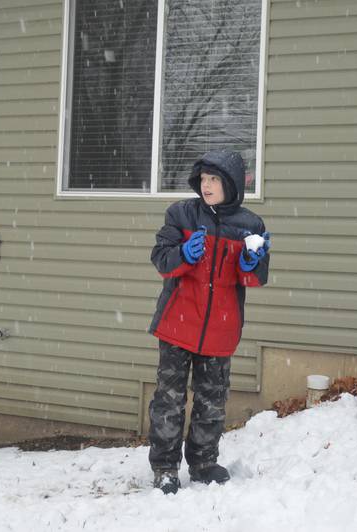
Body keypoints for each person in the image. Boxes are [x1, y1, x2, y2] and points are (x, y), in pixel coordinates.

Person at [147, 149, 270, 494]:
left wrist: (250, 262)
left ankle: (202, 462)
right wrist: (183, 255)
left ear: (231, 183)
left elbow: (256, 278)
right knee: (169, 399)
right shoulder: (181, 214)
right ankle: (165, 467)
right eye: (203, 178)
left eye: (214, 179)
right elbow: (161, 260)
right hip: (178, 323)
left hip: (220, 329)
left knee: (211, 401)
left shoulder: (251, 226)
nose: (207, 185)